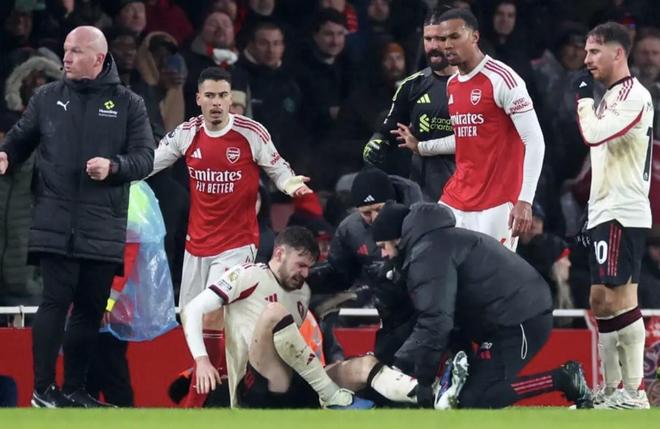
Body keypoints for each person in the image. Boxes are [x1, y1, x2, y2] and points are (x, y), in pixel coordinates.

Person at [0, 26, 154, 407]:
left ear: (99, 58)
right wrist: (6, 155)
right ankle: (42, 389)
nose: (66, 58)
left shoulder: (129, 104)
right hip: (54, 221)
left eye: (75, 51)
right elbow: (20, 138)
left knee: (89, 309)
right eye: (66, 50)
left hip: (103, 225)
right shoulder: (47, 98)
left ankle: (74, 388)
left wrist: (113, 167)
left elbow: (144, 158)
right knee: (55, 301)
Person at [149, 66, 312, 406]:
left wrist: (289, 183)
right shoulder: (186, 134)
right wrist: (116, 172)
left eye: (223, 95)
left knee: (211, 312)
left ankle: (203, 394)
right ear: (198, 99)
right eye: (210, 96)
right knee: (190, 317)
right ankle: (223, 378)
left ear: (230, 99)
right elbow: (148, 163)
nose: (217, 103)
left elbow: (278, 167)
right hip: (197, 244)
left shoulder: (251, 133)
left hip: (237, 244)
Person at [183, 226, 456, 409]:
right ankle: (331, 394)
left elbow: (294, 347)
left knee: (364, 365)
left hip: (293, 382)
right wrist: (202, 360)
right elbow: (191, 310)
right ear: (279, 253)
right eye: (300, 265)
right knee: (274, 312)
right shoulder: (248, 275)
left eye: (309, 267)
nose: (305, 273)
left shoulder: (302, 293)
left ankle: (432, 395)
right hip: (254, 387)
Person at [370, 202, 594, 409]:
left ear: (397, 239)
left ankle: (563, 378)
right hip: (503, 317)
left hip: (522, 318)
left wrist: (408, 374)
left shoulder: (428, 254)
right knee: (466, 396)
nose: (383, 254)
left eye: (383, 246)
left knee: (475, 399)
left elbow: (435, 320)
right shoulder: (433, 243)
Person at [575, 21, 654, 409]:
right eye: (586, 52)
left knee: (621, 298)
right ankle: (610, 391)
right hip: (604, 209)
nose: (586, 59)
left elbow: (593, 134)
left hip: (624, 211)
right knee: (600, 299)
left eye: (594, 51)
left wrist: (582, 102)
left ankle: (634, 392)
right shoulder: (611, 96)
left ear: (618, 53)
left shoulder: (633, 95)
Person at [433, 8, 545, 250]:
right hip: (456, 197)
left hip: (497, 203)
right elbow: (468, 139)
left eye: (454, 36)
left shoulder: (503, 79)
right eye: (442, 39)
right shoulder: (452, 84)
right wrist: (422, 146)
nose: (447, 45)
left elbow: (535, 140)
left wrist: (525, 200)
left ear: (474, 37)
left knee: (490, 273)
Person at [308, 167, 423, 365]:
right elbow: (340, 273)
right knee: (330, 319)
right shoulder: (350, 229)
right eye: (366, 213)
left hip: (415, 305)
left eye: (379, 209)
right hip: (377, 304)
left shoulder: (415, 220)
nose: (375, 217)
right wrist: (304, 277)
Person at [362, 7, 457, 201]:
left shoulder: (479, 85)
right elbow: (390, 126)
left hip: (472, 191)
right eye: (428, 39)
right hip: (424, 194)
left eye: (440, 39)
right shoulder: (412, 85)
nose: (433, 46)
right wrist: (378, 140)